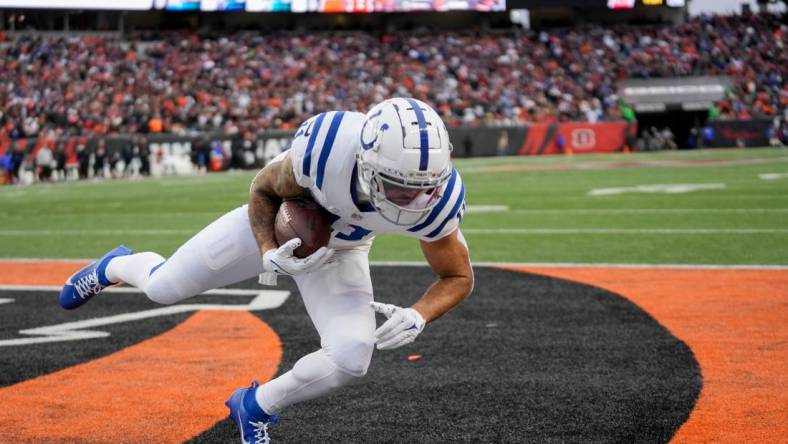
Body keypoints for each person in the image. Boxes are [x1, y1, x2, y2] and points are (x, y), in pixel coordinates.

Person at [57, 98, 473, 443]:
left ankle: (254, 406)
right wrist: (267, 249)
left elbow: (457, 276)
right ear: (366, 164)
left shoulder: (437, 200)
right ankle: (117, 264)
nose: (417, 199)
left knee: (350, 358)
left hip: (343, 250)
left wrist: (420, 313)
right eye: (402, 186)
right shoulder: (326, 151)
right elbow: (263, 188)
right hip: (277, 222)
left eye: (428, 186)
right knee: (163, 288)